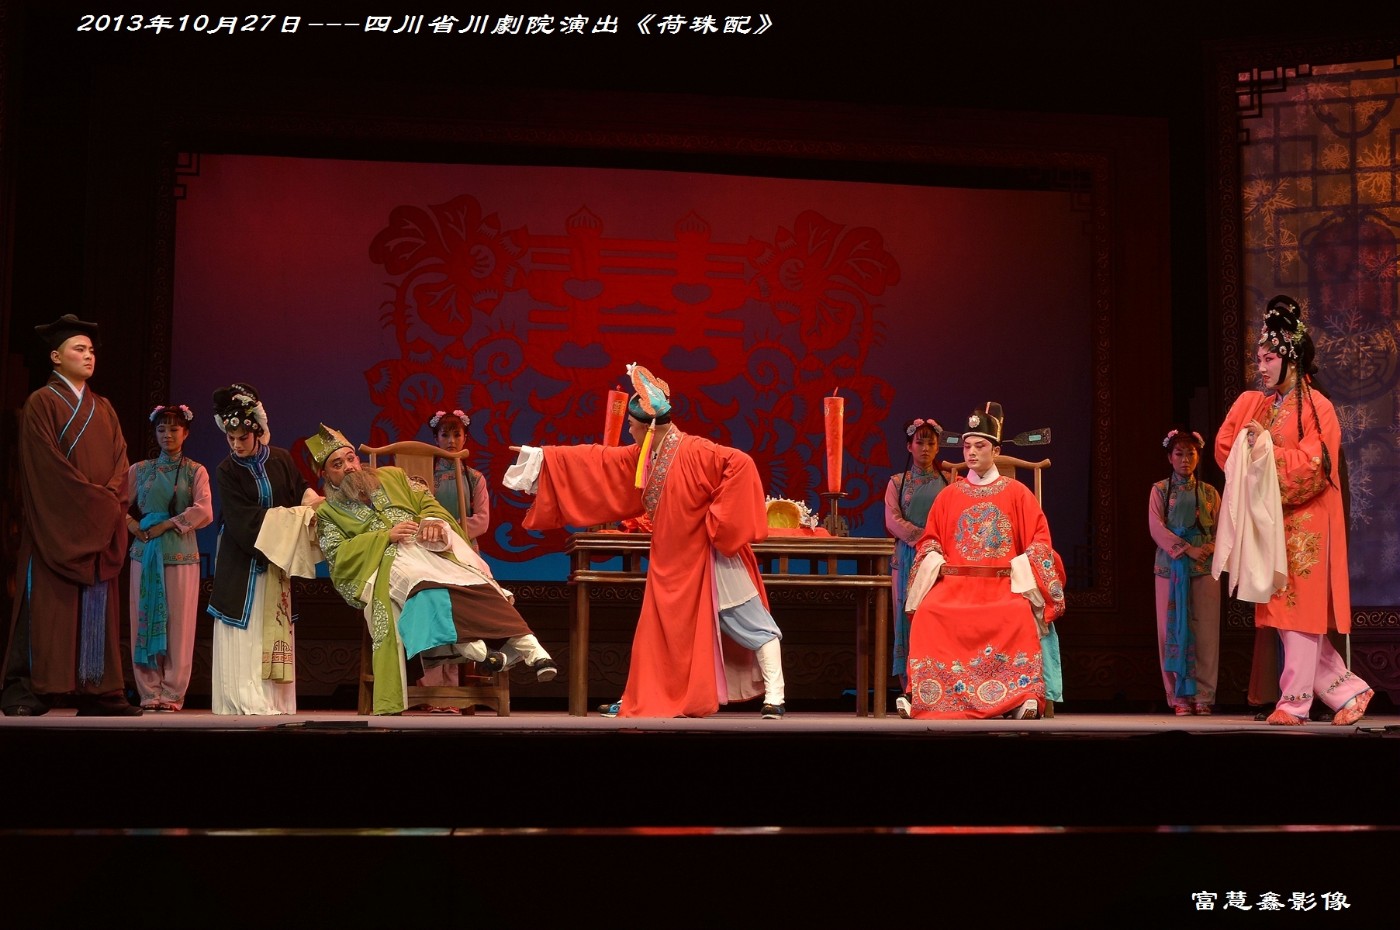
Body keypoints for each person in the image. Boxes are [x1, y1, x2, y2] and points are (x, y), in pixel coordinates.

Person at [506, 363, 787, 719]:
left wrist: (718, 521)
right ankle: (647, 697)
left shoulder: (698, 451)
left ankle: (775, 697)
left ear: (650, 426)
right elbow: (600, 461)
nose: (629, 431)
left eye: (632, 425)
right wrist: (542, 457)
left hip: (709, 555)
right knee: (664, 635)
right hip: (672, 560)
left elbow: (742, 464)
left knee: (751, 622)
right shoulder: (646, 456)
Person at [310, 424, 556, 716]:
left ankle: (530, 650)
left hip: (429, 548)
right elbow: (338, 555)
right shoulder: (328, 513)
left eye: (350, 458)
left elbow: (430, 504)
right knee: (423, 586)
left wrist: (433, 523)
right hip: (386, 560)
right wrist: (383, 537)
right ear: (325, 474)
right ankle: (481, 651)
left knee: (473, 580)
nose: (349, 467)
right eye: (337, 464)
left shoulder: (393, 476)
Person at [1214, 295, 1372, 726]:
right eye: (1259, 359)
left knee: (1297, 608)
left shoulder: (1318, 407)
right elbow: (1226, 450)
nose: (1262, 368)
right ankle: (1349, 690)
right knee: (1282, 611)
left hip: (1306, 520)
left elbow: (1314, 467)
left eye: (1269, 359)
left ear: (1291, 359)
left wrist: (1265, 451)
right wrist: (1250, 443)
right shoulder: (1260, 404)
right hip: (1272, 522)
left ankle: (1295, 702)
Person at [2, 314, 140, 716]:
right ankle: (30, 689)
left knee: (97, 609)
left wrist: (109, 502)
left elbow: (121, 464)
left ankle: (98, 691)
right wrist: (95, 504)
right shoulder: (41, 404)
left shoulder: (104, 407)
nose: (89, 355)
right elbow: (47, 469)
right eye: (79, 349)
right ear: (56, 357)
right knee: (48, 607)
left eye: (92, 350)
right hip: (58, 523)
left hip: (99, 523)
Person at [901, 402, 1064, 720]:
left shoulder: (1017, 493)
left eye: (980, 446)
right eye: (967, 446)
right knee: (929, 613)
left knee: (1018, 613)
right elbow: (931, 539)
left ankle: (1021, 695)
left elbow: (1040, 543)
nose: (972, 452)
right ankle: (926, 694)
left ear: (996, 450)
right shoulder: (949, 495)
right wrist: (933, 558)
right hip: (956, 585)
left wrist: (1022, 566)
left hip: (1002, 585)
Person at [206, 383, 318, 715]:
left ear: (257, 432)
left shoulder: (281, 459)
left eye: (242, 438)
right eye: (231, 439)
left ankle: (276, 699)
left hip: (277, 563)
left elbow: (301, 491)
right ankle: (245, 698)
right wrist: (292, 519)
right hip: (243, 559)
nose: (236, 445)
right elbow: (243, 520)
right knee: (247, 626)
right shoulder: (226, 470)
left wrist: (315, 505)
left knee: (273, 622)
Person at [126, 403, 213, 712]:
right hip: (145, 552)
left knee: (179, 625)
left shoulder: (195, 470)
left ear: (185, 433)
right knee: (143, 619)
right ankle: (148, 691)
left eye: (174, 429)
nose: (167, 435)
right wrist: (132, 524)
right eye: (161, 429)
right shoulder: (140, 470)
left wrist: (168, 524)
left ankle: (173, 693)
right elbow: (114, 503)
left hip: (180, 554)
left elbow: (204, 509)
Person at [1149, 427, 1220, 716]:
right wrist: (1186, 549)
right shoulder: (1160, 490)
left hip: (1204, 568)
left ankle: (1203, 695)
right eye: (1179, 454)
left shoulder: (1210, 493)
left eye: (1191, 454)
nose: (1185, 459)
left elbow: (1224, 530)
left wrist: (1211, 547)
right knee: (1171, 631)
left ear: (1198, 457)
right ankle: (1178, 696)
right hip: (1170, 568)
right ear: (1170, 457)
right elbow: (1156, 528)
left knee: (1206, 632)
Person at [884, 417, 951, 707]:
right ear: (908, 446)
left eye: (930, 443)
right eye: (919, 442)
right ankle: (910, 687)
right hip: (908, 556)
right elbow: (893, 520)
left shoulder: (950, 480)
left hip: (940, 557)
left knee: (938, 617)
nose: (925, 448)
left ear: (937, 448)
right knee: (906, 618)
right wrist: (924, 538)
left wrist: (936, 543)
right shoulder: (897, 483)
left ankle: (940, 684)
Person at [427, 409, 489, 550]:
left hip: (464, 542)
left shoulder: (475, 478)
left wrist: (446, 529)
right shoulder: (425, 475)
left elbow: (482, 520)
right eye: (445, 435)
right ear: (436, 439)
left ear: (464, 439)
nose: (451, 441)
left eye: (457, 435)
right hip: (431, 543)